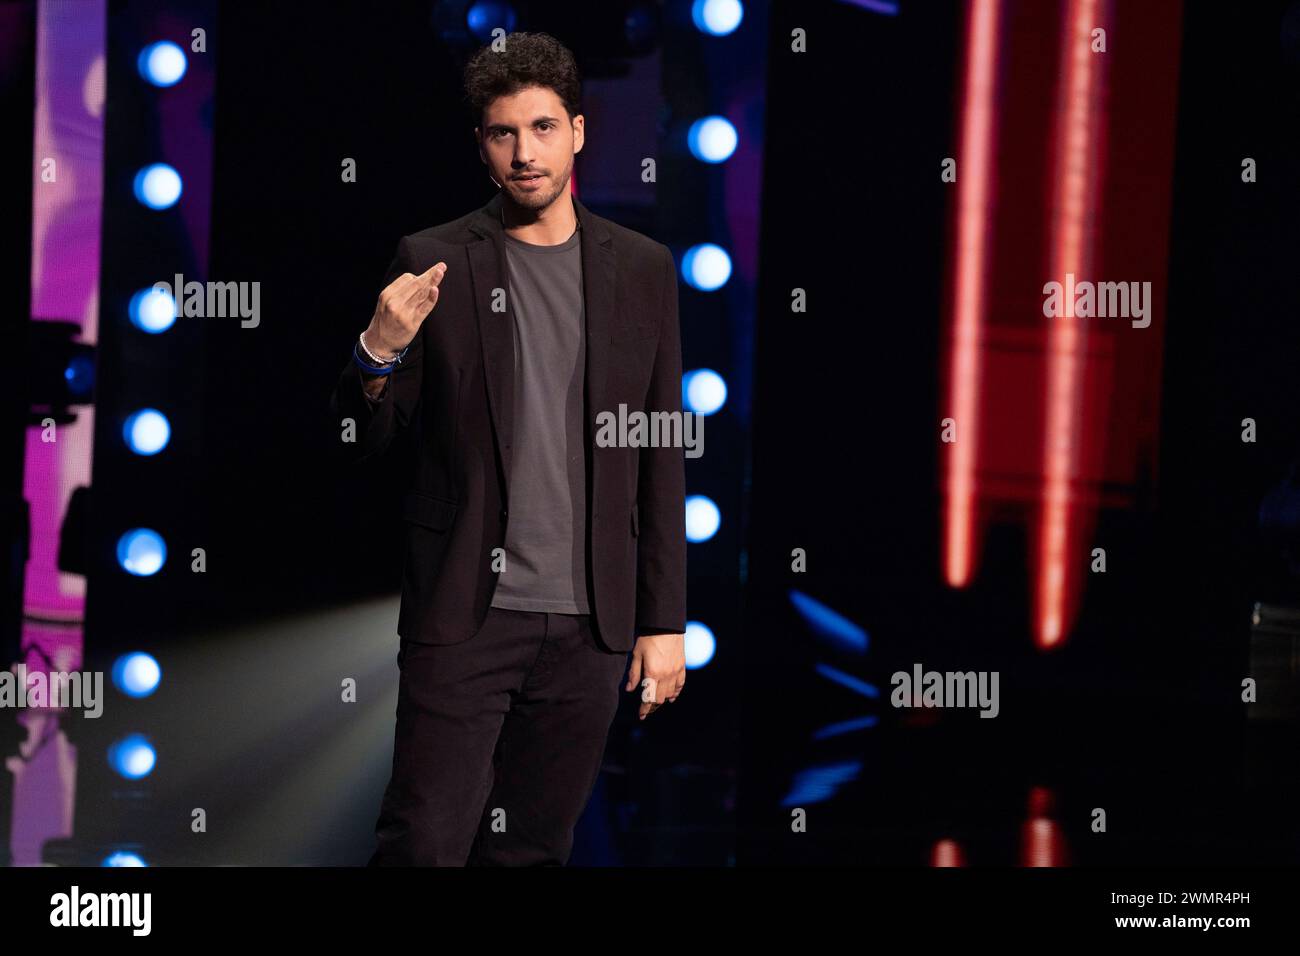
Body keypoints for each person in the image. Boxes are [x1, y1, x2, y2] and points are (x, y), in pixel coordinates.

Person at [330, 31, 687, 866]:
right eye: (503, 133)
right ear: (482, 147)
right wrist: (376, 352)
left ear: (579, 131)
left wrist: (662, 619)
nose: (525, 154)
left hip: (591, 624)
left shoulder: (642, 269)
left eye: (543, 128)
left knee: (531, 850)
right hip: (465, 616)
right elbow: (362, 440)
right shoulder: (435, 261)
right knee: (423, 842)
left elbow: (659, 452)